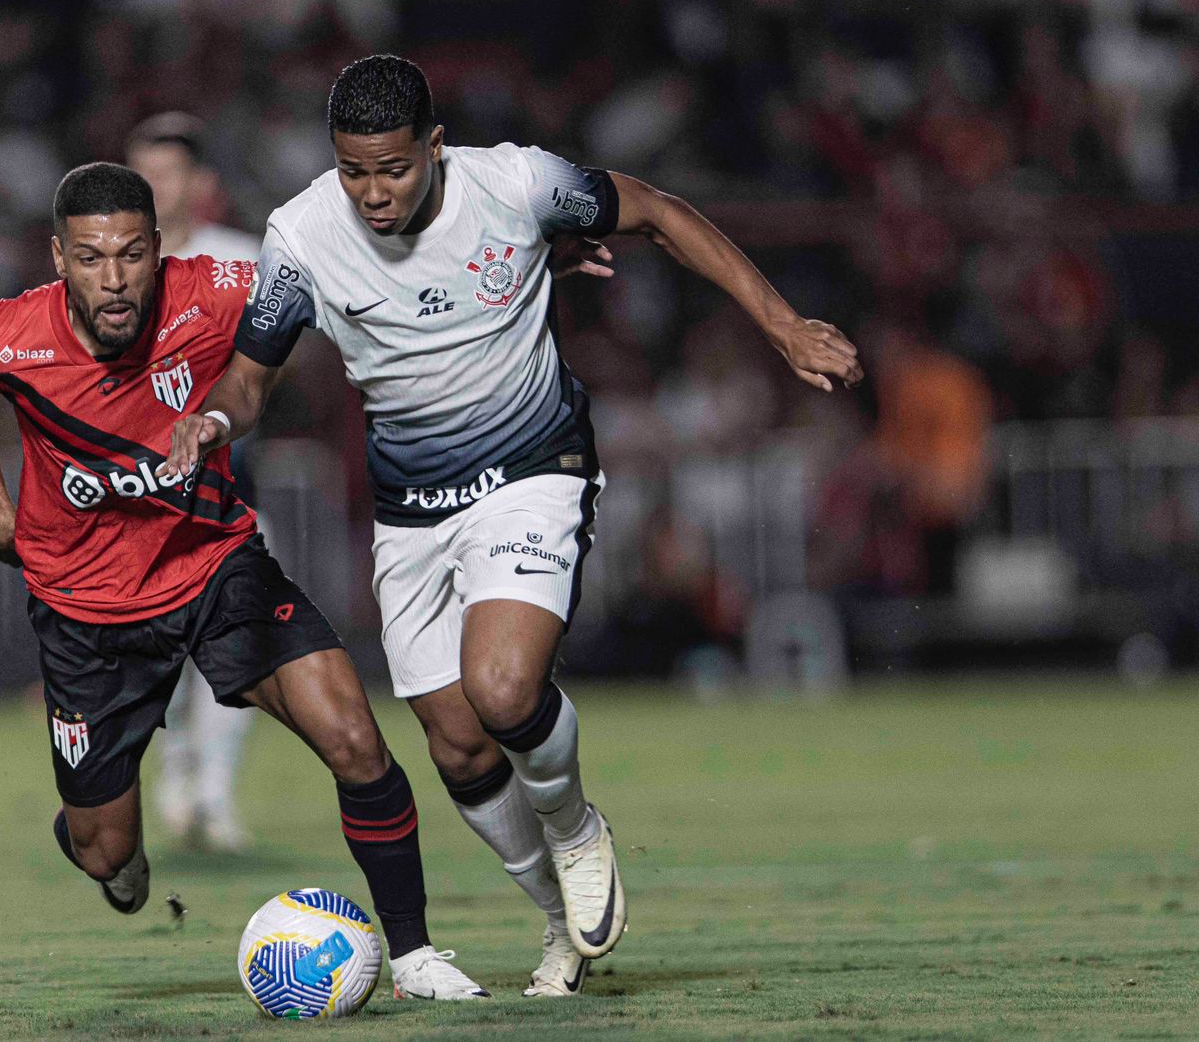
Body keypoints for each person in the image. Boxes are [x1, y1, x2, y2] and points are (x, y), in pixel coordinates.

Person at [163, 55, 864, 997]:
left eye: (393, 168)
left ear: (436, 148)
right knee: (455, 742)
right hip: (410, 508)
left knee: (501, 688)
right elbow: (251, 377)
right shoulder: (301, 235)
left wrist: (781, 325)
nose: (372, 192)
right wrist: (209, 419)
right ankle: (555, 921)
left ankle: (576, 830)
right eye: (353, 170)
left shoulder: (517, 184)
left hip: (532, 470)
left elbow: (655, 209)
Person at [0, 162, 487, 1000]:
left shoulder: (218, 289)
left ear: (159, 250)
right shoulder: (10, 336)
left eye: (130, 255)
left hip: (214, 571)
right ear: (58, 259)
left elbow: (337, 277)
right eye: (90, 258)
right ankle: (100, 836)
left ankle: (412, 956)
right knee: (107, 853)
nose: (113, 280)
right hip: (86, 616)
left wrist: (499, 269)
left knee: (355, 739)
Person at [126, 113, 258, 851]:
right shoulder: (106, 265)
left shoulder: (241, 261)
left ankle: (213, 794)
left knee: (236, 645)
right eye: (140, 170)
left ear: (200, 185)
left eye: (167, 172)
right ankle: (178, 767)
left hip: (226, 480)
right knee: (159, 654)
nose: (152, 187)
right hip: (131, 492)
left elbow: (281, 359)